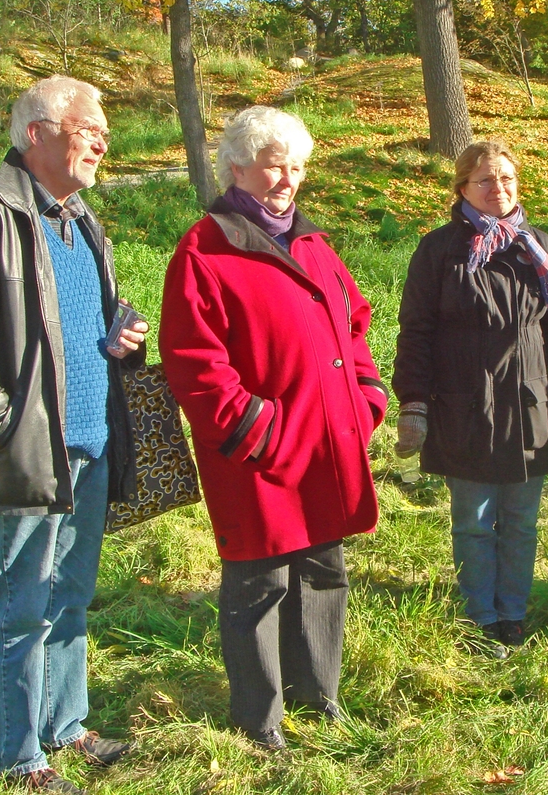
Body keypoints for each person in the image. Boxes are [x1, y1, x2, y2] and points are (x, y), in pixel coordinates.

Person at [0, 76, 147, 794]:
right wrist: (4, 426)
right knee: (22, 605)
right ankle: (20, 760)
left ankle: (65, 726)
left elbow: (71, 326)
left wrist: (119, 342)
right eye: (89, 128)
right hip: (25, 451)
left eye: (104, 131)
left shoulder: (83, 220)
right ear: (37, 134)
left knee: (69, 596)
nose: (103, 142)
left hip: (90, 442)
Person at [159, 106, 388, 751]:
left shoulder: (313, 245)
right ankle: (260, 719)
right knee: (259, 582)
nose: (288, 179)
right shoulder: (205, 249)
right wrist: (257, 430)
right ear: (236, 167)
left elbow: (354, 322)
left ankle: (318, 694)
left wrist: (366, 397)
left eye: (297, 167)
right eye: (273, 165)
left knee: (323, 569)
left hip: (327, 441)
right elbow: (194, 362)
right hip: (256, 454)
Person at [392, 140, 548, 657]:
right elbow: (416, 331)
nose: (497, 188)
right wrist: (413, 403)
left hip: (528, 404)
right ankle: (481, 616)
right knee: (475, 522)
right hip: (466, 405)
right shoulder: (440, 250)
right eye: (485, 179)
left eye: (506, 177)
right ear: (462, 187)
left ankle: (513, 613)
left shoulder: (536, 246)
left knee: (522, 521)